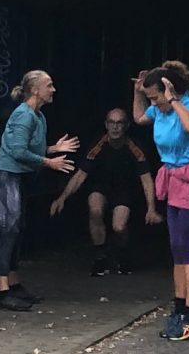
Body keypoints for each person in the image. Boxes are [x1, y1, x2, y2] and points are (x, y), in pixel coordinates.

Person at [139, 62, 189, 341]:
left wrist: (173, 101)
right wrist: (138, 93)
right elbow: (139, 118)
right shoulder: (158, 109)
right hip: (174, 179)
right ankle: (179, 307)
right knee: (177, 247)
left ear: (169, 90)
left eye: (155, 97)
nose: (153, 103)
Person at [0, 71, 79, 313]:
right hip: (6, 175)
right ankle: (2, 293)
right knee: (9, 229)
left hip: (18, 176)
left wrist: (53, 149)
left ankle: (14, 285)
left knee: (17, 229)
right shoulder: (24, 115)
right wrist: (49, 162)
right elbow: (17, 151)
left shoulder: (38, 116)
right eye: (49, 85)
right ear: (36, 90)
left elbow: (30, 148)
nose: (53, 89)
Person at [52, 106, 159, 275]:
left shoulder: (134, 147)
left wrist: (151, 208)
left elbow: (146, 179)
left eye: (119, 123)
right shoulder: (98, 144)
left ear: (127, 125)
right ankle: (100, 258)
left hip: (124, 189)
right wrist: (62, 197)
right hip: (100, 186)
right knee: (95, 209)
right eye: (111, 122)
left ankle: (122, 255)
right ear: (106, 124)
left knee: (119, 227)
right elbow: (80, 175)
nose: (115, 127)